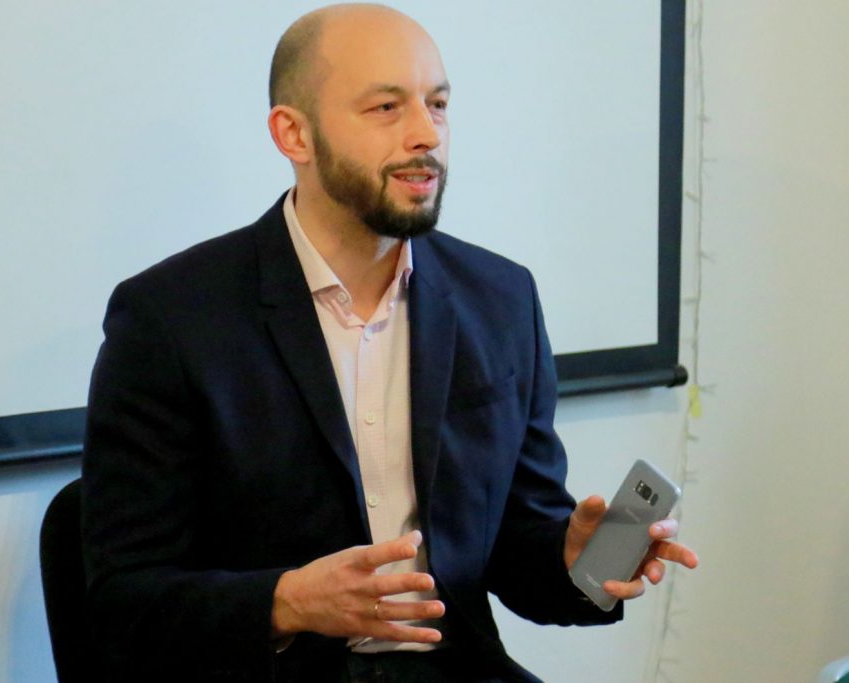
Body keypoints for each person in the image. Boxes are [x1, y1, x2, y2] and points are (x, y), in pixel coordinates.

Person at [80, 4, 698, 682]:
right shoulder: (170, 319)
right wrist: (287, 602)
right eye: (385, 108)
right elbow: (121, 605)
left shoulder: (500, 299)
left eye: (438, 104)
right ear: (294, 133)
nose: (426, 133)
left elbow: (517, 549)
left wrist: (575, 560)